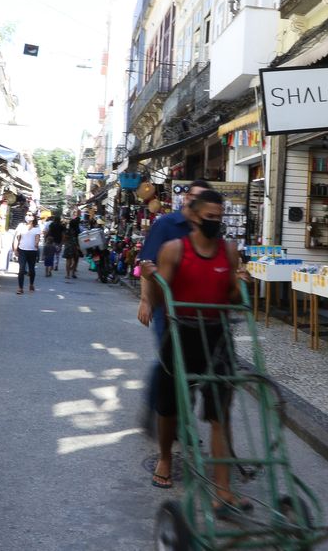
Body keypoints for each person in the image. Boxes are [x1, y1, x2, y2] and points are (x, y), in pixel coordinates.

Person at [144, 190, 250, 517]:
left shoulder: (229, 252)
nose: (215, 223)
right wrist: (150, 286)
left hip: (217, 335)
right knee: (170, 406)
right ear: (194, 216)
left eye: (220, 218)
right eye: (210, 218)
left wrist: (241, 282)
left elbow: (232, 297)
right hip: (182, 332)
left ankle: (223, 490)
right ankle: (164, 457)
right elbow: (161, 296)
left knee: (221, 413)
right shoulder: (174, 250)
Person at [136, 181, 214, 432]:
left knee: (192, 365)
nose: (194, 202)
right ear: (187, 197)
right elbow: (147, 264)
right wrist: (146, 300)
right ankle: (156, 407)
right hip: (167, 307)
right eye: (191, 196)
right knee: (170, 360)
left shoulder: (209, 227)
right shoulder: (166, 224)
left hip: (197, 308)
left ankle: (178, 417)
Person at [14, 212, 43, 294]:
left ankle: (31, 284)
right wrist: (15, 249)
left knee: (31, 269)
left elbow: (37, 238)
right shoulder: (21, 226)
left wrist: (36, 244)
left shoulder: (37, 228)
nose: (28, 216)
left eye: (30, 215)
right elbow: (17, 238)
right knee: (21, 269)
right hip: (22, 250)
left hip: (32, 251)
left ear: (34, 217)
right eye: (27, 214)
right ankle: (20, 288)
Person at [63, 210, 83, 279]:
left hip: (68, 246)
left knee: (68, 260)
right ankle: (73, 273)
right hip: (76, 247)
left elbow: (64, 238)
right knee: (76, 260)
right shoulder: (78, 231)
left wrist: (66, 243)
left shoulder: (68, 231)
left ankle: (67, 274)